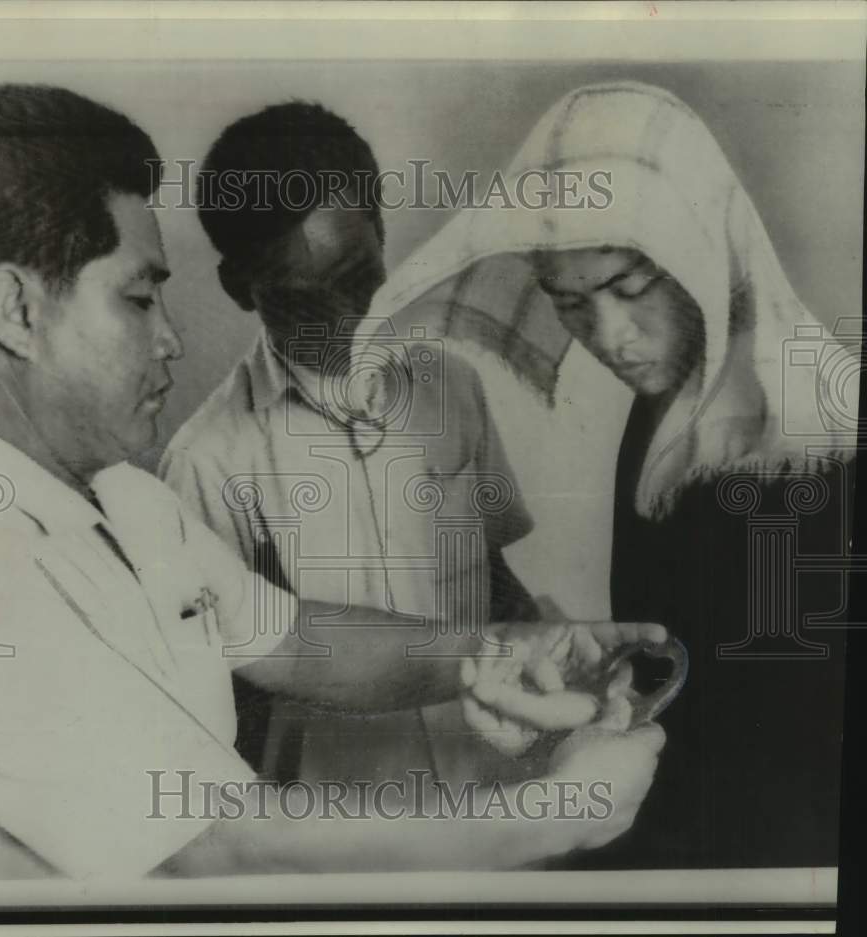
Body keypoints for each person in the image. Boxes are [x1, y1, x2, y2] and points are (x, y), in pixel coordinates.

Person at [0, 82, 664, 882]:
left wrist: (515, 645)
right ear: (16, 308)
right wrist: (564, 809)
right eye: (139, 297)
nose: (172, 340)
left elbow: (297, 641)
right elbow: (223, 844)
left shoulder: (126, 499)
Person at [363, 81, 854, 869]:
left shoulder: (812, 445)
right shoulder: (668, 404)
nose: (609, 338)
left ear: (702, 253)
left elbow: (790, 753)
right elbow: (687, 663)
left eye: (629, 290)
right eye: (569, 305)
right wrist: (585, 702)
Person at [160, 102, 546, 790]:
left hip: (493, 782)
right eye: (306, 303)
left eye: (361, 280)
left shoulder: (453, 385)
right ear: (238, 288)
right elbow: (206, 705)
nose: (351, 322)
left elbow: (492, 573)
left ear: (382, 230)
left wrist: (561, 677)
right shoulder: (206, 464)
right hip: (342, 816)